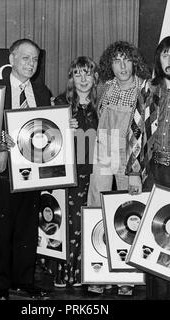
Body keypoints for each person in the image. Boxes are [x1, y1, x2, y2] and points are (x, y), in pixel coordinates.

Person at [125, 35, 170, 300]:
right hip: (152, 172)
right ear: (159, 59)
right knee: (152, 236)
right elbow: (135, 130)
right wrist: (134, 172)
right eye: (165, 55)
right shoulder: (148, 88)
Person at [0, 38, 52, 300]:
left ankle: (24, 280)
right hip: (4, 168)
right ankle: (1, 284)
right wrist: (3, 149)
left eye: (35, 59)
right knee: (4, 227)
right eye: (25, 58)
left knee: (27, 227)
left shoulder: (43, 92)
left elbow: (48, 129)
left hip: (32, 168)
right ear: (11, 59)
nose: (31, 63)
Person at [86, 41, 150, 295]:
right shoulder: (104, 87)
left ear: (134, 62)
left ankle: (128, 277)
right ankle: (98, 273)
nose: (122, 67)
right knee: (95, 207)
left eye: (126, 60)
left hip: (130, 154)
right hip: (104, 150)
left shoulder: (144, 88)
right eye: (116, 61)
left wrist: (136, 166)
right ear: (109, 64)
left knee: (129, 212)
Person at [51, 56, 99, 288]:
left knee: (86, 221)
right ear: (71, 77)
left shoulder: (101, 104)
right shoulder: (60, 102)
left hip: (93, 172)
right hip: (67, 173)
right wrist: (61, 126)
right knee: (67, 222)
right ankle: (63, 272)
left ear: (94, 77)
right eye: (77, 73)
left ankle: (82, 272)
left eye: (87, 73)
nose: (83, 79)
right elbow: (46, 139)